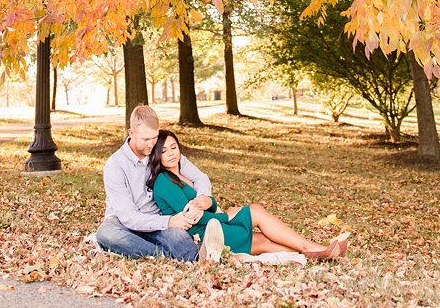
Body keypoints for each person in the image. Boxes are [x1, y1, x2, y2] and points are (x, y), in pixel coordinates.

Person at [148, 130, 350, 261]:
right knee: (255, 211)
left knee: (263, 240)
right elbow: (191, 218)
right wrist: (226, 216)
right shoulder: (163, 182)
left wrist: (212, 202)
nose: (171, 153)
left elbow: (206, 206)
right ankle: (314, 249)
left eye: (174, 147)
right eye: (164, 151)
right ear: (157, 156)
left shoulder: (181, 173)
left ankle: (316, 252)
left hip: (212, 223)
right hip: (206, 234)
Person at [95, 105, 202, 261]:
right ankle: (163, 256)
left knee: (178, 236)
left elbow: (200, 177)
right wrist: (169, 221)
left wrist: (202, 199)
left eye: (155, 137)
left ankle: (195, 254)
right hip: (122, 223)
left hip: (155, 220)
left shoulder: (159, 151)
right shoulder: (115, 165)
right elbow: (129, 217)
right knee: (106, 234)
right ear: (131, 133)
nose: (152, 144)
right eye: (146, 139)